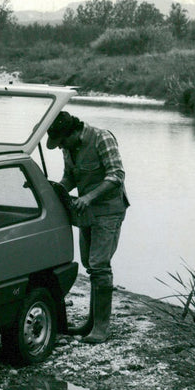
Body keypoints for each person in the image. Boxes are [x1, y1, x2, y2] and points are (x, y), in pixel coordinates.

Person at [46, 111, 129, 344]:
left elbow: (117, 175)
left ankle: (101, 328)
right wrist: (54, 189)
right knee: (89, 264)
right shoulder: (67, 148)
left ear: (72, 133)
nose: (61, 146)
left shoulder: (102, 138)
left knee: (99, 265)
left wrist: (90, 197)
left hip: (109, 210)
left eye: (62, 141)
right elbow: (69, 177)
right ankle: (91, 323)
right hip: (87, 212)